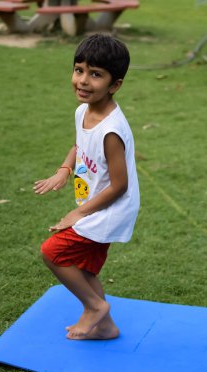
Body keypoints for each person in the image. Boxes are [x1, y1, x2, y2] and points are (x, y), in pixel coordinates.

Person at [34, 33, 140, 340]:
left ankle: (94, 307)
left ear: (114, 84)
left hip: (110, 209)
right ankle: (105, 327)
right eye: (79, 70)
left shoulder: (111, 131)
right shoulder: (84, 111)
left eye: (95, 75)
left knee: (52, 252)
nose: (83, 80)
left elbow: (120, 185)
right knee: (84, 267)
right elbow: (80, 145)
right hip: (95, 204)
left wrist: (78, 215)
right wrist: (64, 169)